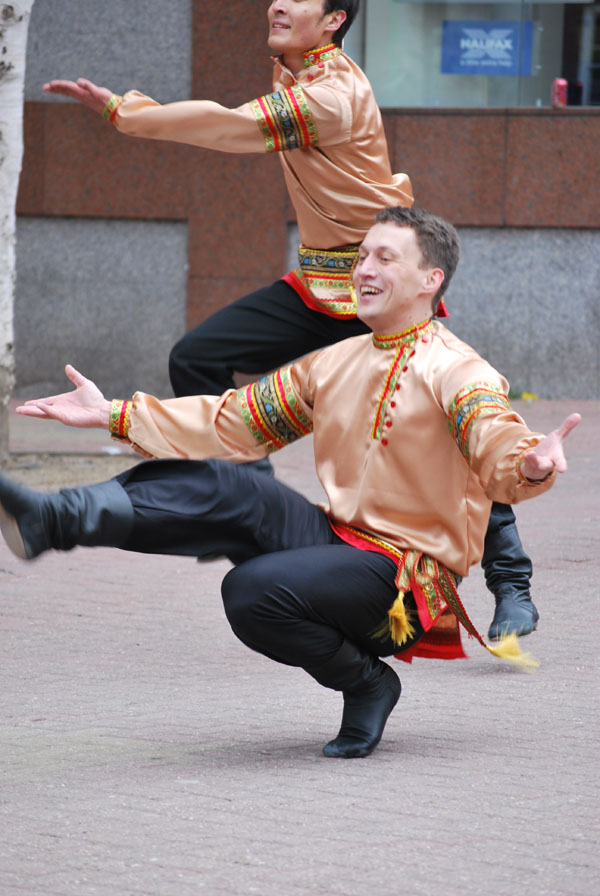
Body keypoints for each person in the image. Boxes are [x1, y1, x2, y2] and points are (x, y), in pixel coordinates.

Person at [0, 207, 580, 759]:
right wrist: (112, 415)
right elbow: (233, 423)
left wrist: (529, 463)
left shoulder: (459, 369)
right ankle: (53, 519)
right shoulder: (335, 361)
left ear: (431, 279)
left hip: (404, 579)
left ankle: (367, 683)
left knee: (253, 590)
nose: (364, 270)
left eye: (385, 258)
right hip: (338, 541)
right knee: (231, 486)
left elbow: (493, 434)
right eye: (362, 258)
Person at [43, 0, 536, 640]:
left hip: (378, 289)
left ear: (333, 19)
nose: (276, 3)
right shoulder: (294, 71)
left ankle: (513, 583)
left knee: (453, 428)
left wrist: (126, 111)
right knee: (196, 356)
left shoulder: (331, 93)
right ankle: (258, 523)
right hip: (320, 283)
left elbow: (229, 128)